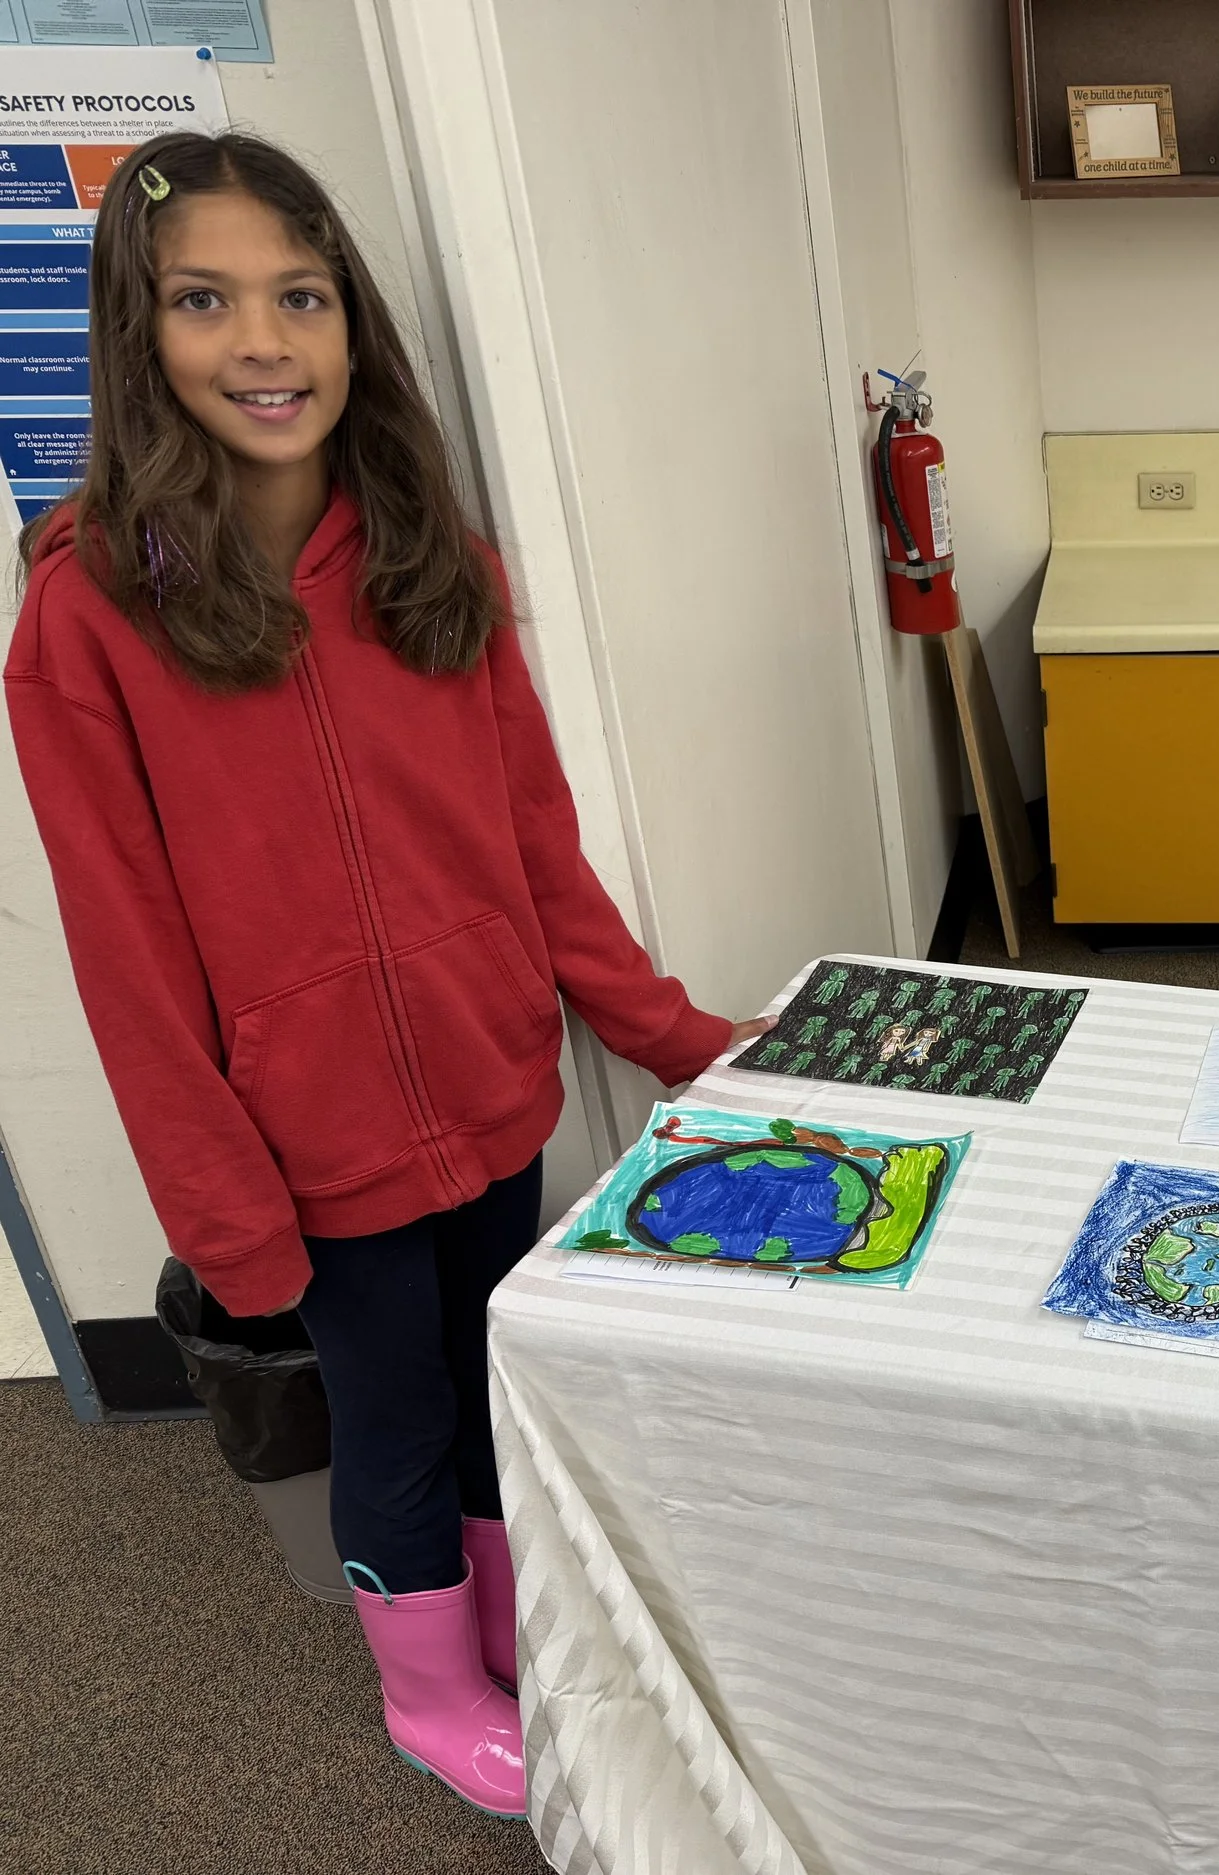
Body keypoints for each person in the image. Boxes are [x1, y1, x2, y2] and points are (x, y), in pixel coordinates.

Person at [4, 132, 769, 1818]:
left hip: (488, 1091)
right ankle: (428, 1691)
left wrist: (673, 1035)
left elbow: (537, 852)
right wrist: (228, 1213)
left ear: (353, 324)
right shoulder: (89, 621)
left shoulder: (440, 568)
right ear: (140, 333)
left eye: (300, 296)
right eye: (205, 303)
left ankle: (508, 1624)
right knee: (397, 1424)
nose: (263, 343)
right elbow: (126, 957)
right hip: (314, 1145)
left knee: (500, 1380)